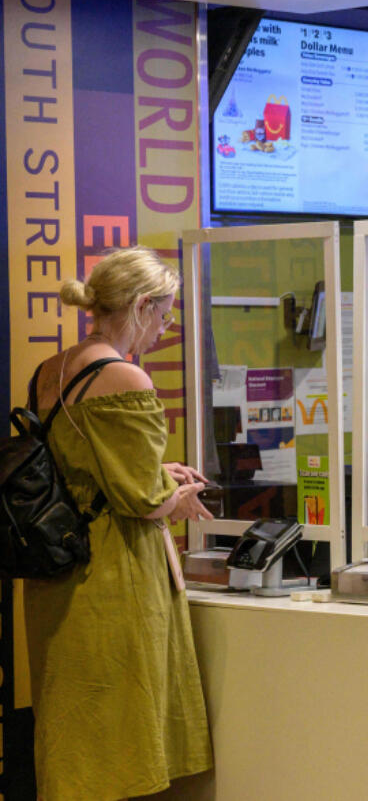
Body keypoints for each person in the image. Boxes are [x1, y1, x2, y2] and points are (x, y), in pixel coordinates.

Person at [25, 247, 214, 801]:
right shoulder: (123, 375)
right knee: (119, 732)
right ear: (142, 306)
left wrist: (155, 471)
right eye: (165, 313)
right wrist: (175, 496)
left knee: (74, 730)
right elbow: (139, 498)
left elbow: (80, 463)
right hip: (112, 576)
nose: (165, 327)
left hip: (58, 571)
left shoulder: (52, 367)